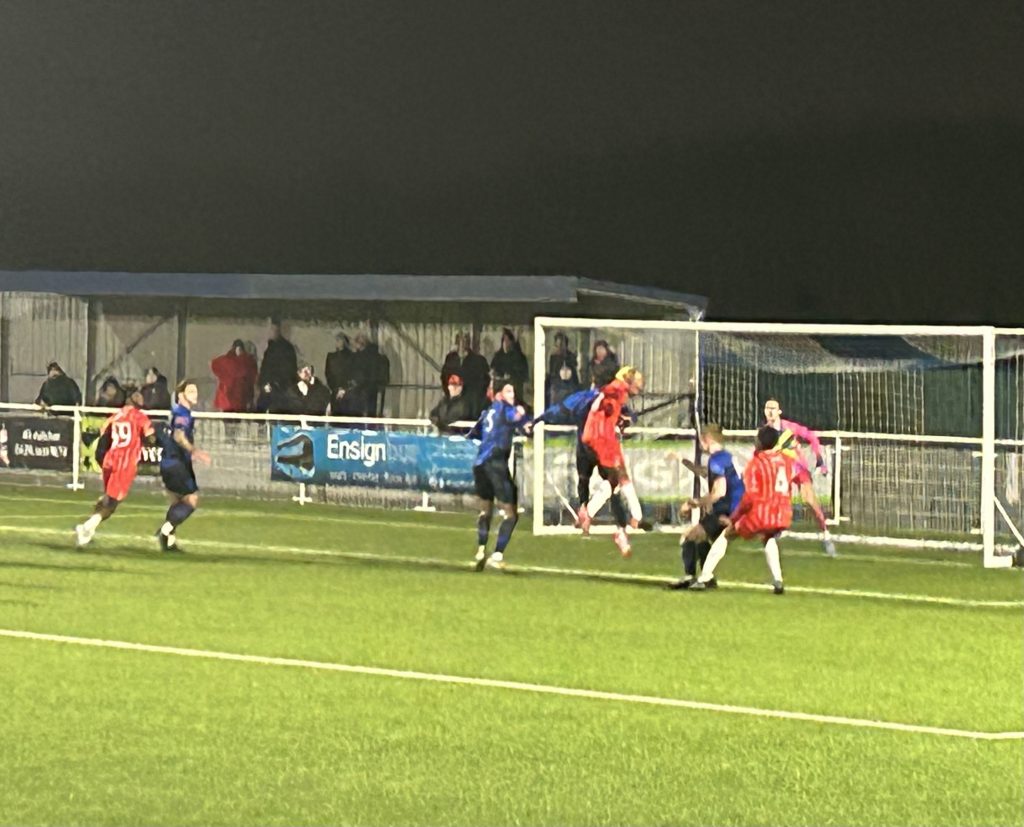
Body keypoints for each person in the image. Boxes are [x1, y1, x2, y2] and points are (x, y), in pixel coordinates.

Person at [689, 426, 795, 594]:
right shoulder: (785, 461)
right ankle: (778, 580)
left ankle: (704, 577)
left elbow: (750, 496)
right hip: (780, 513)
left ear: (760, 442)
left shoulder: (756, 463)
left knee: (727, 535)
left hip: (759, 514)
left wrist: (736, 516)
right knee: (768, 537)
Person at [74, 385, 156, 548]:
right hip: (124, 463)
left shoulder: (114, 416)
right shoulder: (140, 416)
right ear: (132, 398)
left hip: (110, 459)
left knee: (108, 498)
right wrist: (147, 441)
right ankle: (86, 527)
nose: (141, 398)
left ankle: (88, 532)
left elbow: (103, 436)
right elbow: (151, 437)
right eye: (138, 395)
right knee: (112, 503)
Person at [668, 424, 744, 590]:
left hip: (727, 510)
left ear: (707, 439)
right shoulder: (726, 457)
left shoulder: (716, 460)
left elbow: (719, 492)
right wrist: (682, 460)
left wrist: (693, 504)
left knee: (688, 537)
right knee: (702, 538)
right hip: (738, 510)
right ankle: (706, 577)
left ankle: (690, 577)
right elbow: (705, 473)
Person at [581, 365, 646, 557]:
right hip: (602, 437)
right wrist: (611, 409)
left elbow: (605, 408)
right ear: (628, 380)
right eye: (638, 381)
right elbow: (607, 399)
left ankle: (589, 514)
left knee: (614, 481)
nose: (641, 386)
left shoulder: (616, 391)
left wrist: (618, 418)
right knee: (622, 475)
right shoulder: (618, 389)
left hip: (596, 436)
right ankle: (637, 516)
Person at [468, 380, 530, 572]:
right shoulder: (506, 409)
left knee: (485, 511)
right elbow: (518, 420)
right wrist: (523, 416)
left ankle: (480, 551)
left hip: (480, 464)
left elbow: (473, 434)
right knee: (511, 514)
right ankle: (497, 556)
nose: (513, 395)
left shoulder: (487, 412)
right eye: (508, 391)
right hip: (495, 463)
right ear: (499, 395)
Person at [763, 397, 835, 556]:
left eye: (773, 408)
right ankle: (777, 529)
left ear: (779, 411)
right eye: (767, 408)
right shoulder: (764, 432)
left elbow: (812, 437)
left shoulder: (789, 427)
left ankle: (826, 533)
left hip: (797, 467)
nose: (770, 411)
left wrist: (820, 460)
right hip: (782, 470)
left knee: (809, 500)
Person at [155, 380, 211, 552]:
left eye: (196, 391)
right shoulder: (182, 413)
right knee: (191, 500)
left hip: (168, 462)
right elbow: (178, 436)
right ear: (181, 395)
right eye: (191, 391)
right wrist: (194, 451)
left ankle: (169, 542)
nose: (195, 394)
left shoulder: (175, 412)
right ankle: (165, 530)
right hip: (176, 463)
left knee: (176, 501)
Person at [442, 332, 491, 418]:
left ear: (468, 342)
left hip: (471, 402)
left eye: (464, 340)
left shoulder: (478, 360)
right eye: (460, 340)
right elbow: (444, 376)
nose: (462, 344)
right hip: (454, 400)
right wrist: (450, 391)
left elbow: (485, 380)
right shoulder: (451, 359)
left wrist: (476, 395)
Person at [211, 339, 258, 413]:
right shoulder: (247, 362)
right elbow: (252, 377)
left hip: (226, 400)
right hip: (241, 399)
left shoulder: (226, 361)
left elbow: (214, 364)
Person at [258, 317, 298, 395]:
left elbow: (290, 371)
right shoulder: (270, 348)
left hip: (281, 390)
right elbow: (265, 369)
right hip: (271, 390)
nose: (271, 331)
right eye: (270, 329)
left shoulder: (286, 348)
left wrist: (277, 384)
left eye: (273, 329)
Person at [490, 328, 530, 407]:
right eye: (504, 340)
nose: (506, 343)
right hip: (500, 392)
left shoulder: (519, 358)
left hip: (516, 393)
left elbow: (524, 376)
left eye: (508, 340)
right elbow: (493, 371)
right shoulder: (498, 356)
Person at [325, 331, 356, 415]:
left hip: (348, 392)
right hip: (335, 390)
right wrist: (335, 388)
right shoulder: (331, 356)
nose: (337, 342)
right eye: (336, 340)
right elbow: (328, 373)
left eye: (339, 340)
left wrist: (345, 389)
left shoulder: (351, 357)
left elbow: (352, 373)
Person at [546, 332, 580, 406]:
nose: (560, 347)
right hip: (557, 388)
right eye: (557, 345)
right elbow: (552, 373)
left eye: (561, 345)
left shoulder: (570, 356)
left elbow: (574, 373)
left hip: (569, 388)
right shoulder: (553, 357)